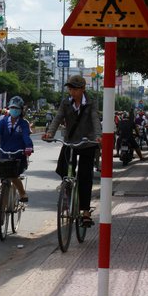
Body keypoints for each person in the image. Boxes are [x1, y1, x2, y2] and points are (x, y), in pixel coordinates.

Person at [42, 75, 102, 228]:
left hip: (87, 143)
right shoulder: (65, 103)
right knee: (63, 169)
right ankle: (68, 194)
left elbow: (95, 120)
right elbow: (57, 118)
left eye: (74, 89)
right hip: (70, 141)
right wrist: (50, 133)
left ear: (82, 89)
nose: (72, 92)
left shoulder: (90, 104)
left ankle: (85, 211)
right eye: (70, 89)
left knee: (85, 176)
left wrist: (98, 136)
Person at [0, 96, 33, 203]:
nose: (14, 110)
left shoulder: (24, 123)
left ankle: (22, 193)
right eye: (12, 108)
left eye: (17, 108)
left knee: (13, 175)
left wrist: (28, 147)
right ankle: (2, 211)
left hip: (18, 155)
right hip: (4, 153)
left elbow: (26, 136)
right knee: (4, 173)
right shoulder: (3, 122)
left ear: (21, 110)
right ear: (9, 108)